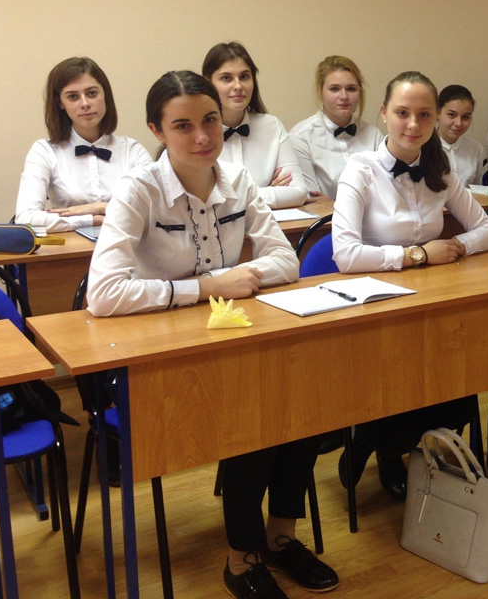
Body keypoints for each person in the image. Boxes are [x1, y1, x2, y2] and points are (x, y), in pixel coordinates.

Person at [87, 71, 337, 599]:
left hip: (229, 337)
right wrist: (206, 287)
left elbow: (285, 262)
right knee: (251, 416)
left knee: (302, 406)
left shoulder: (238, 180)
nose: (202, 136)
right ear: (156, 130)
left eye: (210, 121)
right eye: (183, 126)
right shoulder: (138, 189)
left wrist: (232, 279)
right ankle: (241, 561)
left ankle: (281, 538)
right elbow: (103, 294)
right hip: (157, 355)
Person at [331, 70, 488, 497]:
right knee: (403, 374)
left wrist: (455, 246)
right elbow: (345, 254)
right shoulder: (361, 169)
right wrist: (419, 255)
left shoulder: (439, 169)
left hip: (433, 297)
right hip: (376, 303)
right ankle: (385, 448)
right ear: (383, 113)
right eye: (402, 113)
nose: (413, 124)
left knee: (458, 385)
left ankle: (381, 440)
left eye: (424, 115)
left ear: (435, 118)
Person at [15, 57, 151, 232]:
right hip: (70, 248)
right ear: (60, 103)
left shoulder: (132, 150)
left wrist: (98, 208)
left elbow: (157, 211)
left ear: (105, 95)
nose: (85, 104)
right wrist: (92, 219)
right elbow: (25, 219)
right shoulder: (44, 151)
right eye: (73, 97)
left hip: (128, 246)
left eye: (92, 93)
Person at [202, 41, 308, 209]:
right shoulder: (198, 134)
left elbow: (299, 192)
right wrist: (268, 193)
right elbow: (201, 199)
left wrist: (238, 197)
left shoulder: (271, 125)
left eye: (244, 77)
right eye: (226, 78)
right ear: (208, 83)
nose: (238, 86)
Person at [288, 55, 382, 200]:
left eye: (351, 89)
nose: (344, 96)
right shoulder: (300, 138)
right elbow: (312, 200)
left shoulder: (374, 135)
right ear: (320, 91)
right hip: (324, 216)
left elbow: (385, 192)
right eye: (334, 89)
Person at [437, 84, 485, 186]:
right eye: (451, 115)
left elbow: (477, 189)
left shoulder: (475, 149)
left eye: (465, 117)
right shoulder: (422, 147)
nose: (458, 123)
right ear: (438, 113)